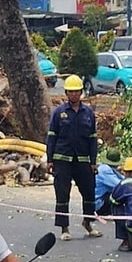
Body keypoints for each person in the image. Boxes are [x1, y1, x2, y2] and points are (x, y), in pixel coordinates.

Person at [46, 74, 101, 241]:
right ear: (66, 93)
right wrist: (49, 159)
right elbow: (52, 136)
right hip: (62, 158)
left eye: (77, 92)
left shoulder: (88, 113)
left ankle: (88, 223)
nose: (74, 95)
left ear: (81, 93)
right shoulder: (59, 113)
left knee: (89, 192)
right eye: (71, 92)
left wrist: (93, 161)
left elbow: (92, 139)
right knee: (62, 194)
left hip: (83, 159)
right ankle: (64, 228)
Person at [94, 148, 124, 216]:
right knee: (119, 193)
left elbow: (122, 178)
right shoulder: (105, 170)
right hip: (98, 204)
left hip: (97, 202)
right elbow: (120, 184)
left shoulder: (107, 168)